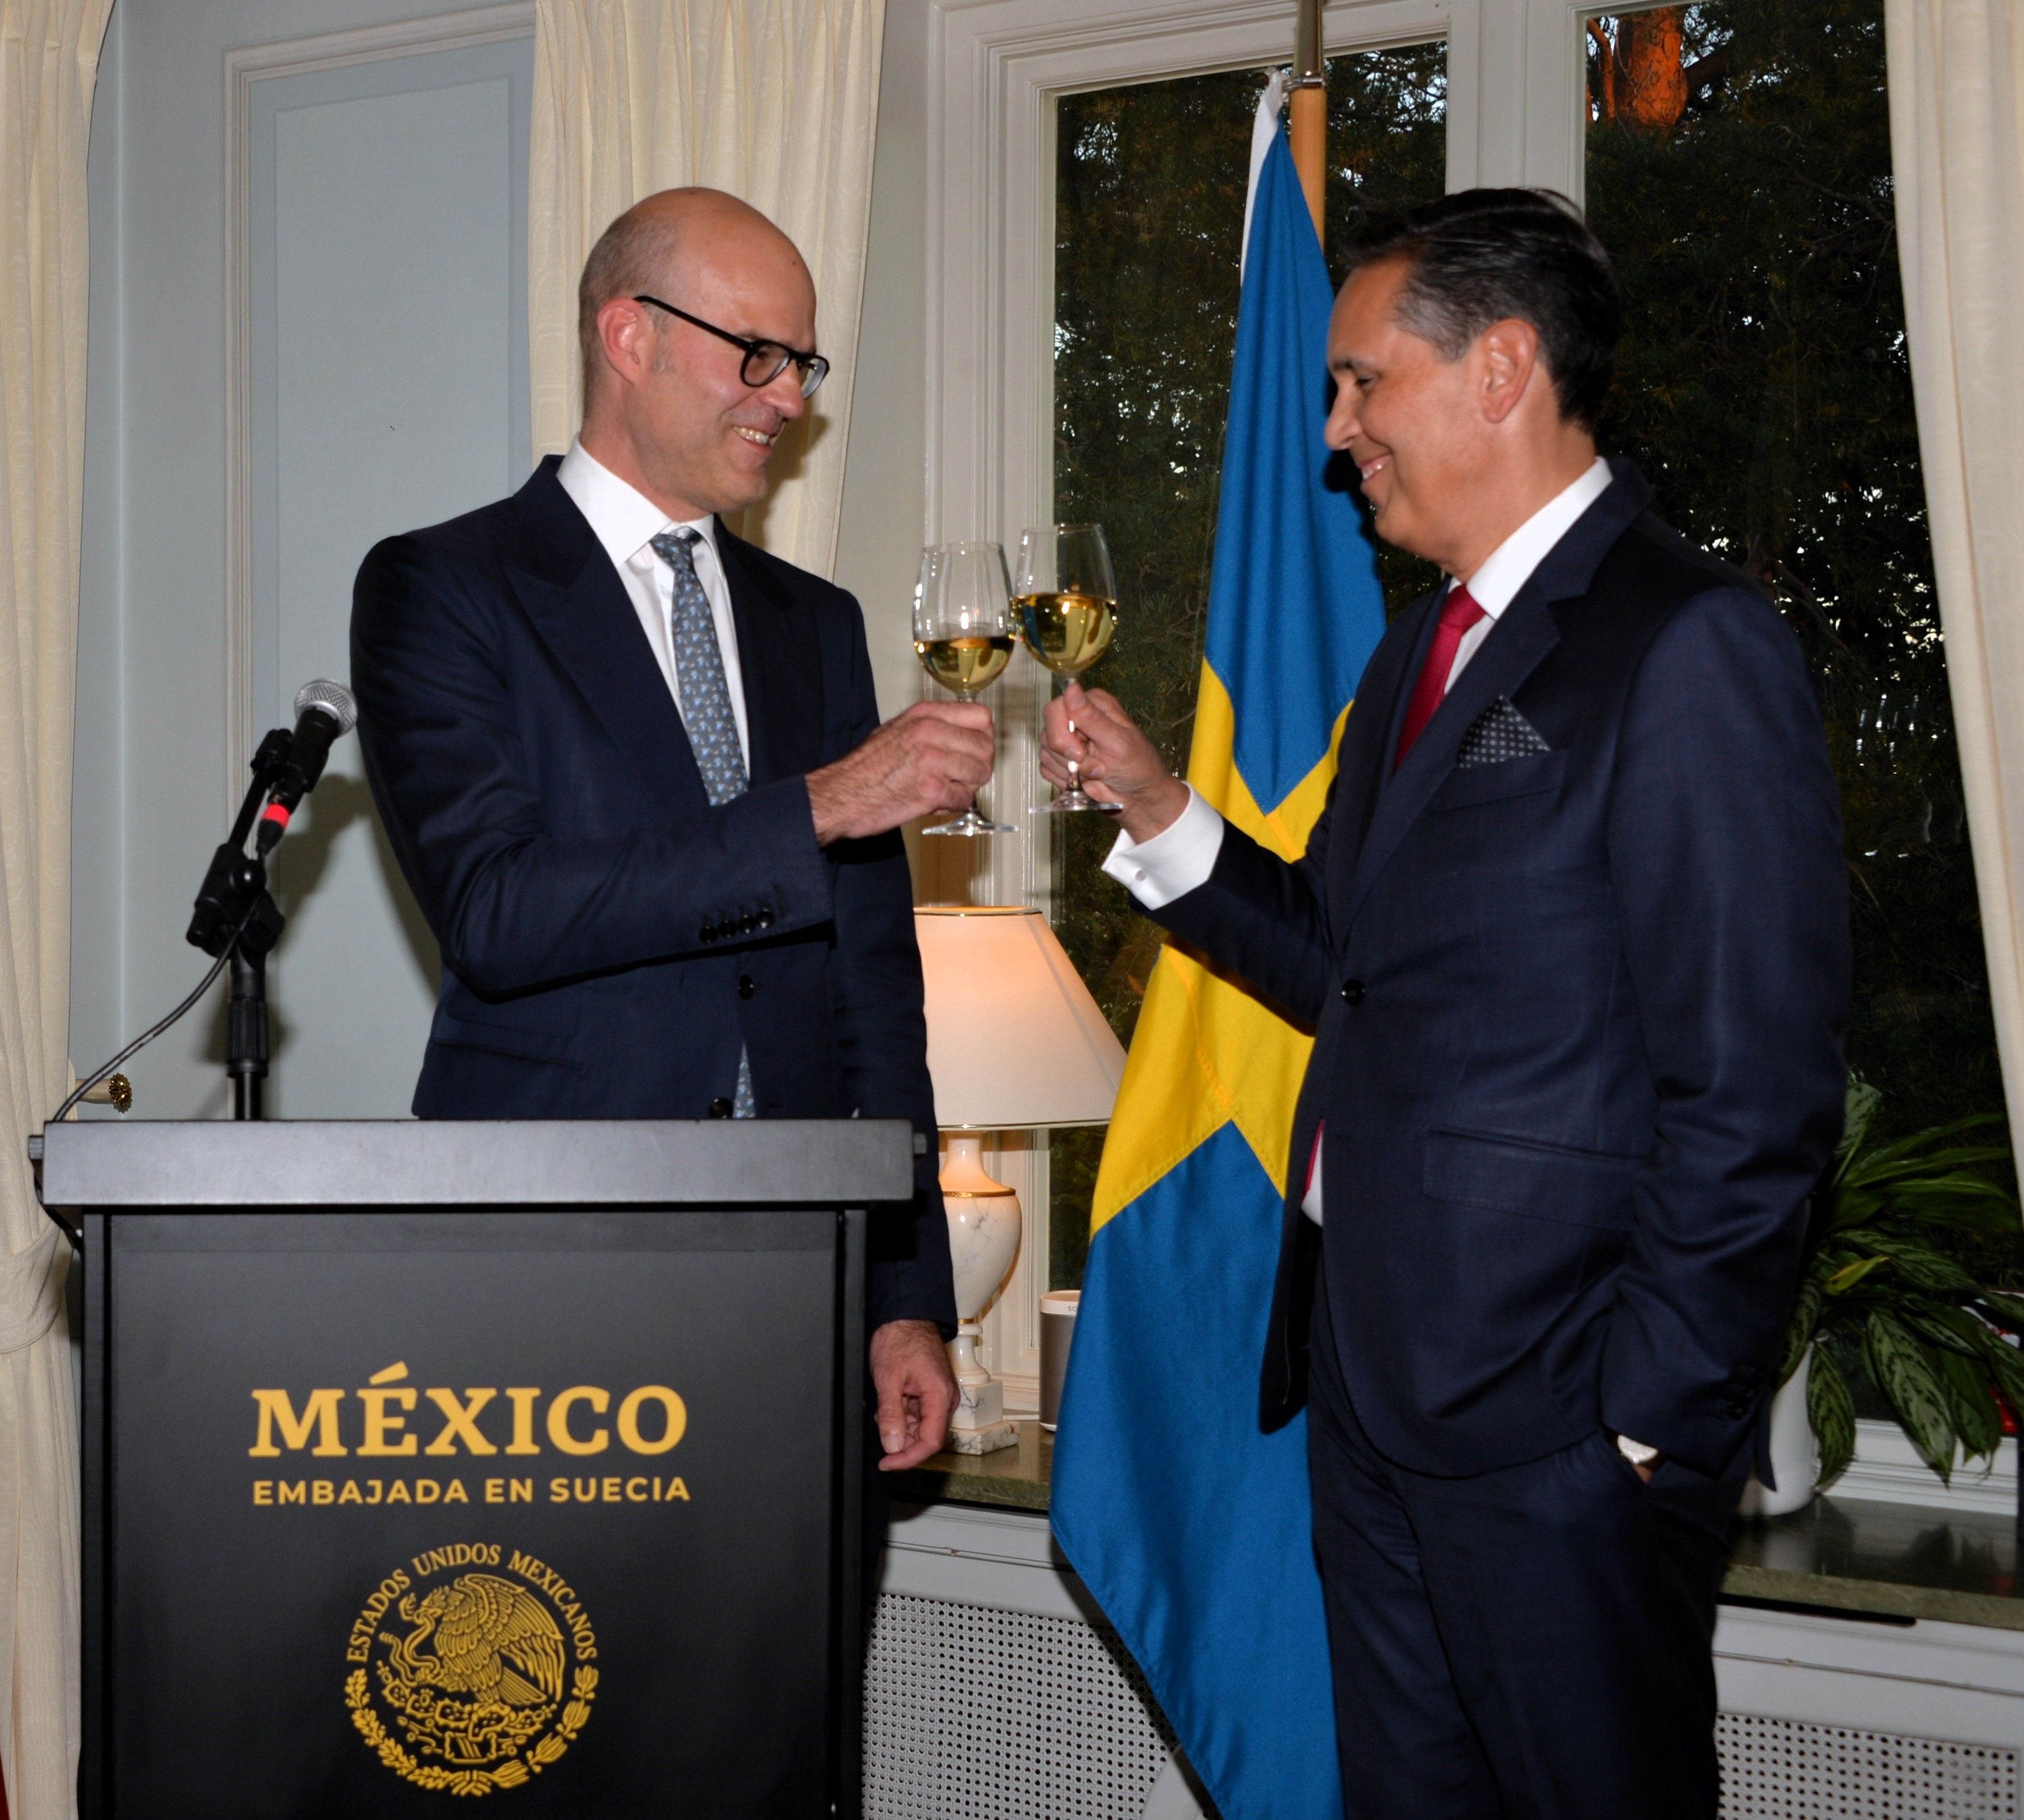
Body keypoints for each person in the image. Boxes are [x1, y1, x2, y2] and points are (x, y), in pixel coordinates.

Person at [1040, 189, 1848, 1817]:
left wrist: (1644, 1427)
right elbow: (1341, 963)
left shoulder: (1686, 642)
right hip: (1370, 1403)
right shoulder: (1411, 657)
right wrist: (1160, 811)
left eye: (1360, 384)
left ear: (1499, 369)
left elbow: (1754, 1094)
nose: (1335, 433)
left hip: (1564, 1436)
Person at [353, 187, 986, 1477]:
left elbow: (872, 988)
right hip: (549, 1279)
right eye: (756, 354)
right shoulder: (445, 587)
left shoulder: (816, 623)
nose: (788, 396)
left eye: (801, 364)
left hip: (804, 1282)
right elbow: (500, 916)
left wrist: (906, 1296)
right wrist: (818, 806)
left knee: (796, 1622)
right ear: (628, 336)